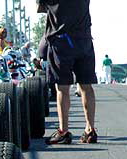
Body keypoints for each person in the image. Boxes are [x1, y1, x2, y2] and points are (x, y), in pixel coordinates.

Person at [41, 0, 98, 145]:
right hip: (84, 40)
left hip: (61, 41)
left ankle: (63, 131)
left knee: (62, 88)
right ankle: (90, 129)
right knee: (86, 86)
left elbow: (41, 8)